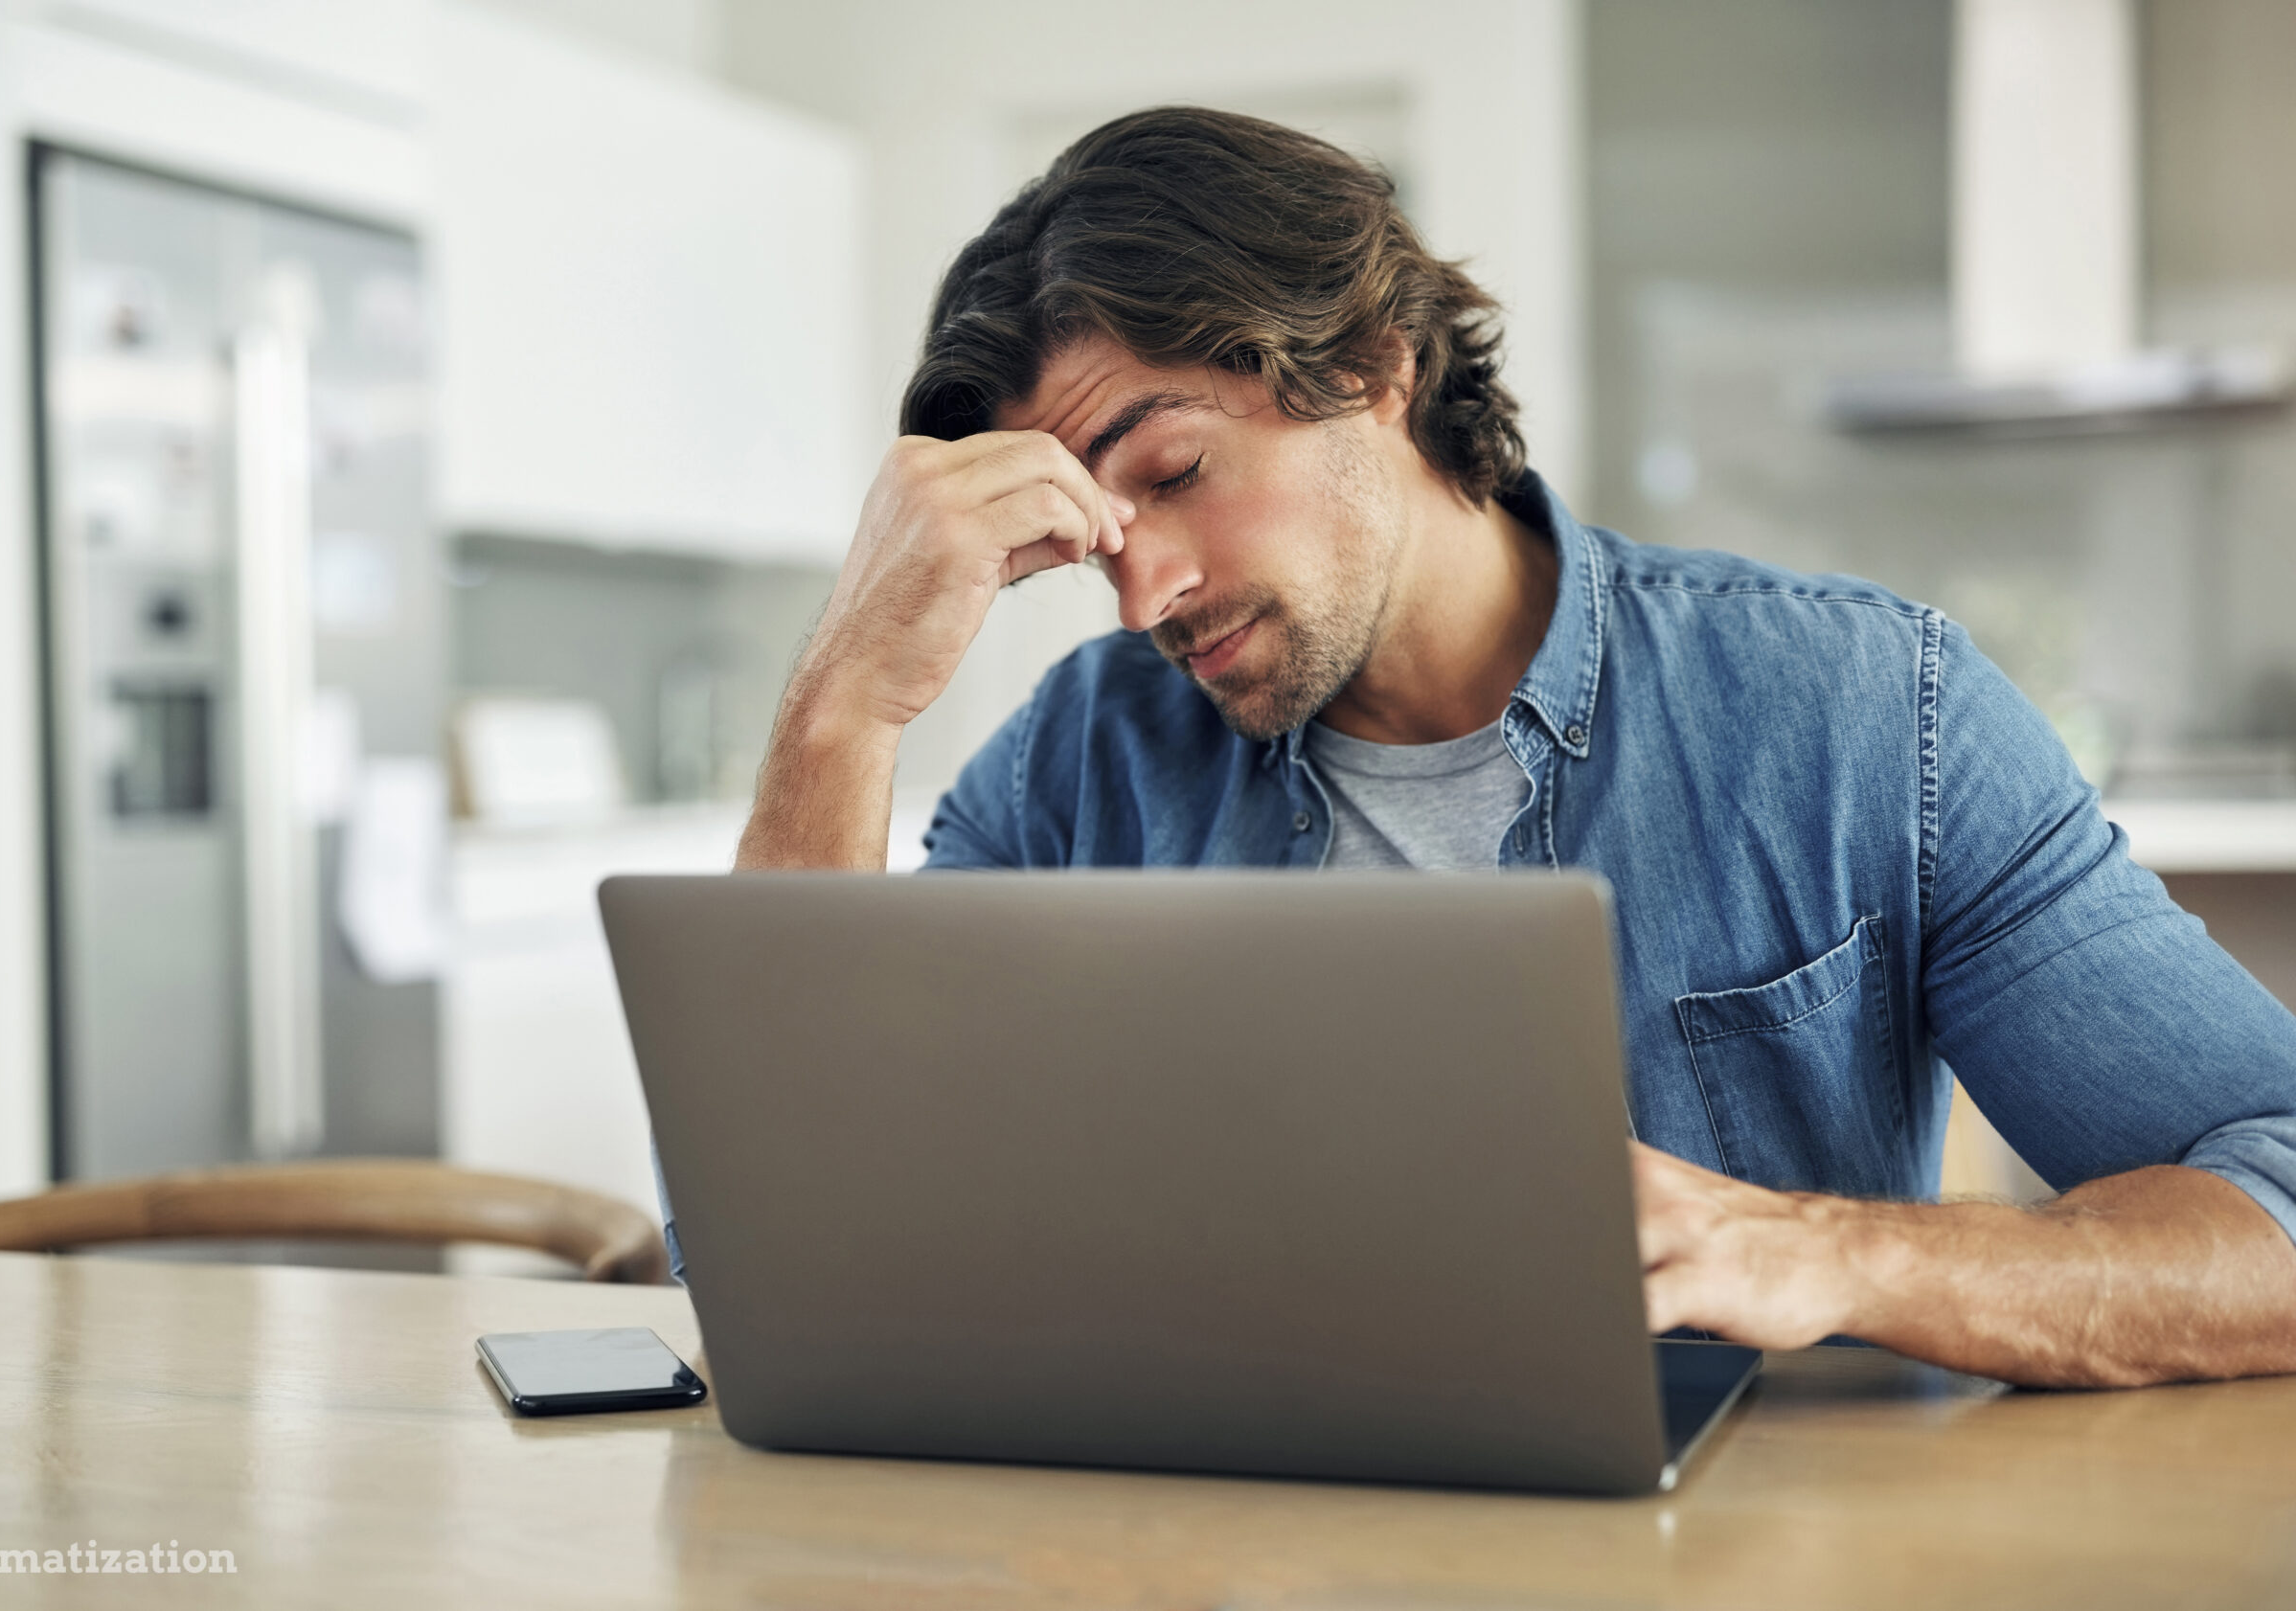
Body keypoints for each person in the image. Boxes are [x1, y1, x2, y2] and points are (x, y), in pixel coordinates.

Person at [735, 106, 2296, 1387]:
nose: (1144, 592)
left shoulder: (1868, 710)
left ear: (1373, 364)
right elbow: (773, 1244)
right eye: (1091, 545)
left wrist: (1822, 1247)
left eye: (1178, 470)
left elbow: (2276, 1188)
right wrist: (841, 705)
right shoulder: (1080, 764)